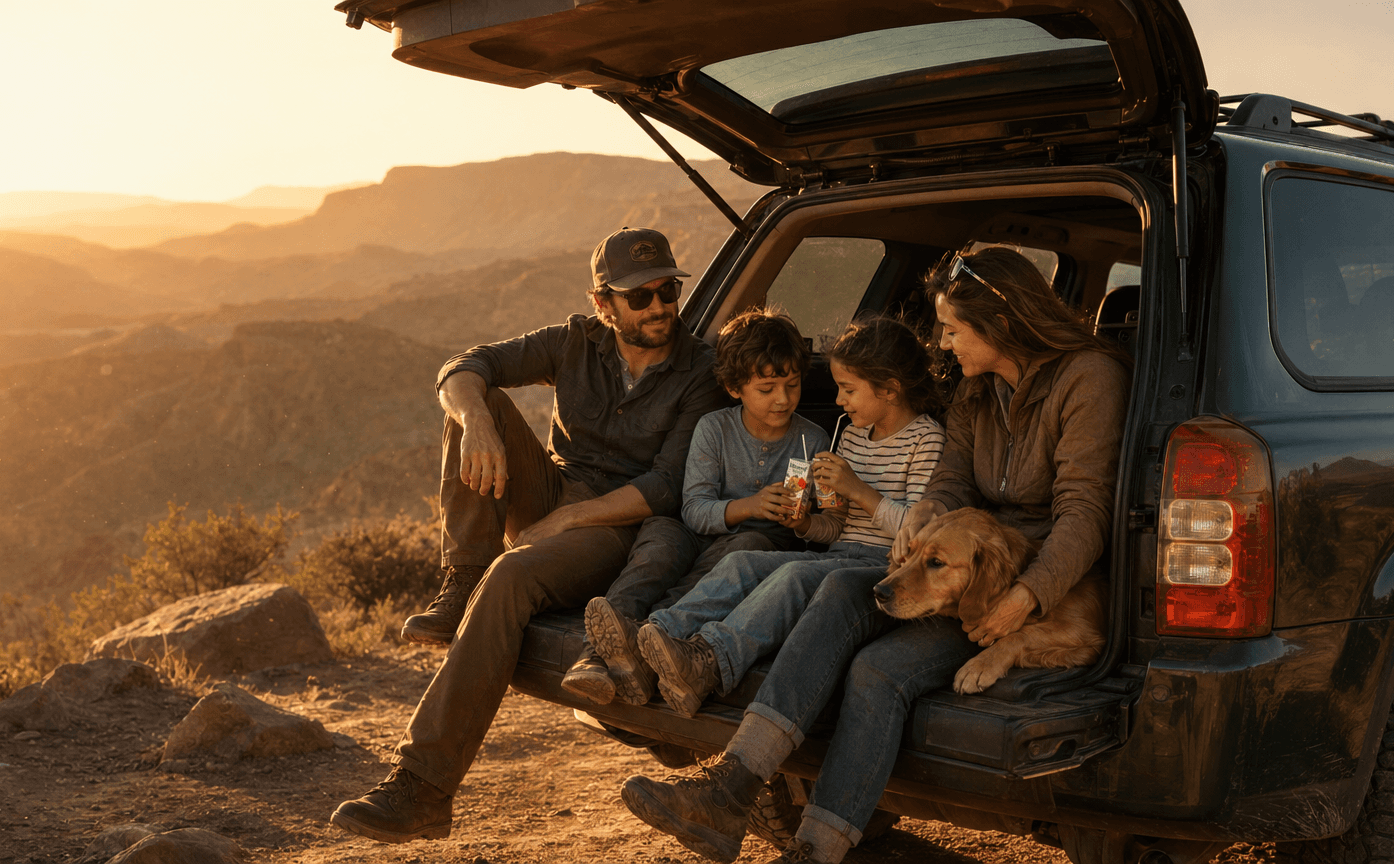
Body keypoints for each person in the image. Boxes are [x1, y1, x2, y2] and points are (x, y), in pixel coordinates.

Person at [618, 246, 1130, 864]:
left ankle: (812, 849)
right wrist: (923, 514)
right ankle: (730, 789)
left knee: (876, 671)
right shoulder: (974, 388)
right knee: (841, 592)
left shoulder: (1089, 377)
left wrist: (1027, 596)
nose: (944, 343)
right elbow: (952, 480)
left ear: (998, 322)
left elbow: (1085, 510)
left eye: (953, 328)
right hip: (959, 560)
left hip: (1031, 582)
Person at [329, 226, 729, 845]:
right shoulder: (575, 341)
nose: (659, 308)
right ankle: (461, 577)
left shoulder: (698, 368)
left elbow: (668, 487)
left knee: (511, 574)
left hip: (618, 521)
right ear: (604, 304)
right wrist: (476, 424)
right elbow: (462, 367)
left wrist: (569, 519)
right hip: (553, 490)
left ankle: (424, 788)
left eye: (667, 292)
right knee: (476, 402)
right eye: (640, 297)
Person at [593, 315, 947, 719]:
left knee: (792, 575)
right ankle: (651, 638)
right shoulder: (848, 435)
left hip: (885, 566)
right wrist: (802, 524)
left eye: (848, 390)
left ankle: (708, 661)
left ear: (889, 388)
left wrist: (859, 491)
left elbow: (920, 540)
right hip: (839, 554)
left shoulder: (926, 439)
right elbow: (833, 526)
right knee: (743, 562)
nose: (838, 401)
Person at [562, 308, 831, 706]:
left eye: (792, 386)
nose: (783, 399)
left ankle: (648, 647)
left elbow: (826, 523)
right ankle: (596, 655)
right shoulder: (715, 428)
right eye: (767, 388)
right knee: (659, 539)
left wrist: (804, 520)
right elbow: (694, 509)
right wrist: (751, 504)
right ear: (736, 388)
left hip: (749, 545)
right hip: (698, 528)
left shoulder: (814, 440)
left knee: (745, 549)